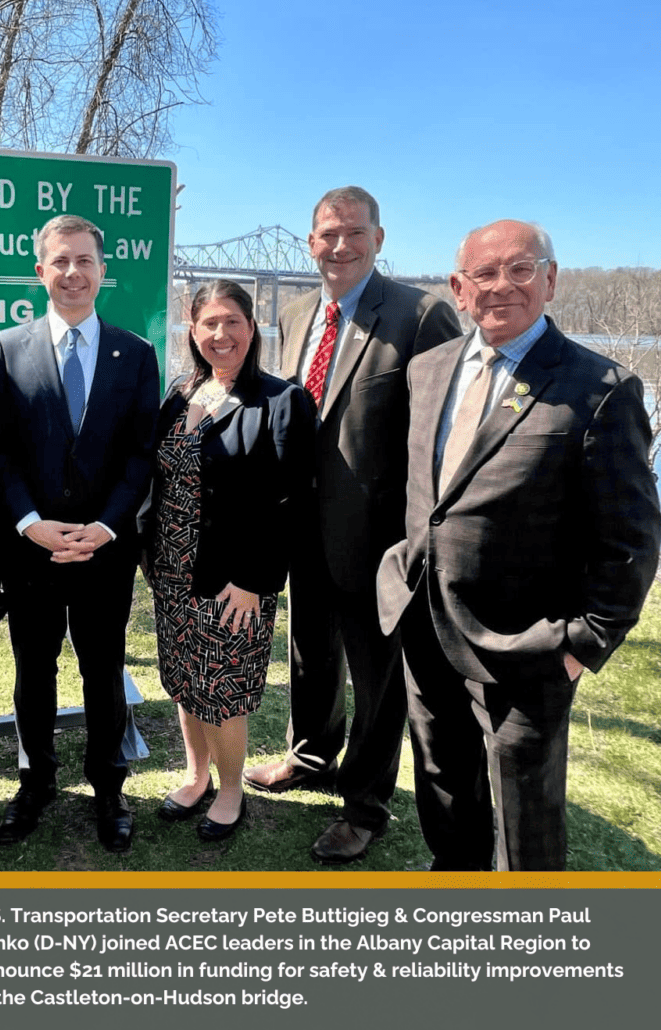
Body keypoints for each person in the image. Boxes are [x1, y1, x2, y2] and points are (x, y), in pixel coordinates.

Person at [377, 219, 660, 871]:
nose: (502, 285)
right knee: (444, 788)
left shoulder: (601, 388)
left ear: (551, 279)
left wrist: (585, 642)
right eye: (484, 273)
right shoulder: (428, 370)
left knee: (524, 820)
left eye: (521, 269)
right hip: (425, 621)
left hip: (526, 647)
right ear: (458, 288)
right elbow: (426, 493)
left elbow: (632, 538)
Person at [243, 185, 461, 864]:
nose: (340, 245)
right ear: (310, 242)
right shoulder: (300, 311)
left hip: (380, 540)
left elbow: (441, 438)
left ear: (378, 238)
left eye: (354, 233)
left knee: (378, 679)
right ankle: (309, 755)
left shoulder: (422, 314)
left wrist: (418, 541)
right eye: (327, 234)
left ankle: (364, 805)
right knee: (310, 656)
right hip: (301, 526)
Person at [0, 214, 160, 853]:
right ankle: (35, 782)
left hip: (103, 554)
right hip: (32, 553)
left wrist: (107, 527)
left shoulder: (136, 354)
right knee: (34, 671)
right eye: (60, 261)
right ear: (41, 271)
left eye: (84, 260)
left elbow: (141, 455)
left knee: (103, 672)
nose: (72, 273)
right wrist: (30, 524)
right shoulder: (5, 349)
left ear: (102, 271)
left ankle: (109, 788)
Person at [140, 281, 314, 841]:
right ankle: (196, 776)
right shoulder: (181, 393)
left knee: (222, 690)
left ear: (252, 328)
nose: (221, 334)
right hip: (170, 570)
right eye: (209, 323)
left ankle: (232, 789)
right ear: (193, 331)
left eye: (232, 321)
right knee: (185, 681)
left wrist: (253, 581)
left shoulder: (281, 400)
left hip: (233, 579)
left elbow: (292, 502)